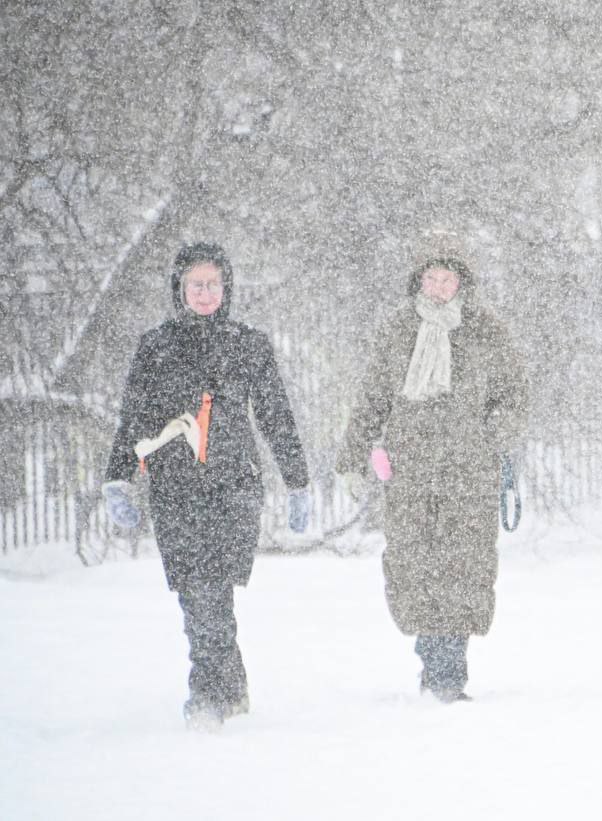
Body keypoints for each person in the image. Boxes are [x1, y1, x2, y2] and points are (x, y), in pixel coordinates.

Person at [101, 242, 311, 728]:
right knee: (195, 591)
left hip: (233, 485)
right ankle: (227, 689)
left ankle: (207, 693)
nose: (204, 292)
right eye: (195, 284)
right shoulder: (156, 346)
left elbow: (276, 416)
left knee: (213, 588)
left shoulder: (249, 344)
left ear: (226, 288)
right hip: (175, 487)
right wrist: (118, 477)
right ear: (179, 287)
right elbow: (134, 415)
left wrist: (297, 481)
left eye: (212, 284)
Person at [336, 232, 527, 703]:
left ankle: (447, 673)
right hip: (411, 469)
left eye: (448, 279)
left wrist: (489, 437)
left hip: (469, 471)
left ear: (462, 282)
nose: (439, 287)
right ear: (418, 281)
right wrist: (353, 454)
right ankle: (434, 655)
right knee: (415, 567)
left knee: (464, 567)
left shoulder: (487, 332)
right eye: (431, 278)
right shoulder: (398, 330)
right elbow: (374, 397)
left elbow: (515, 397)